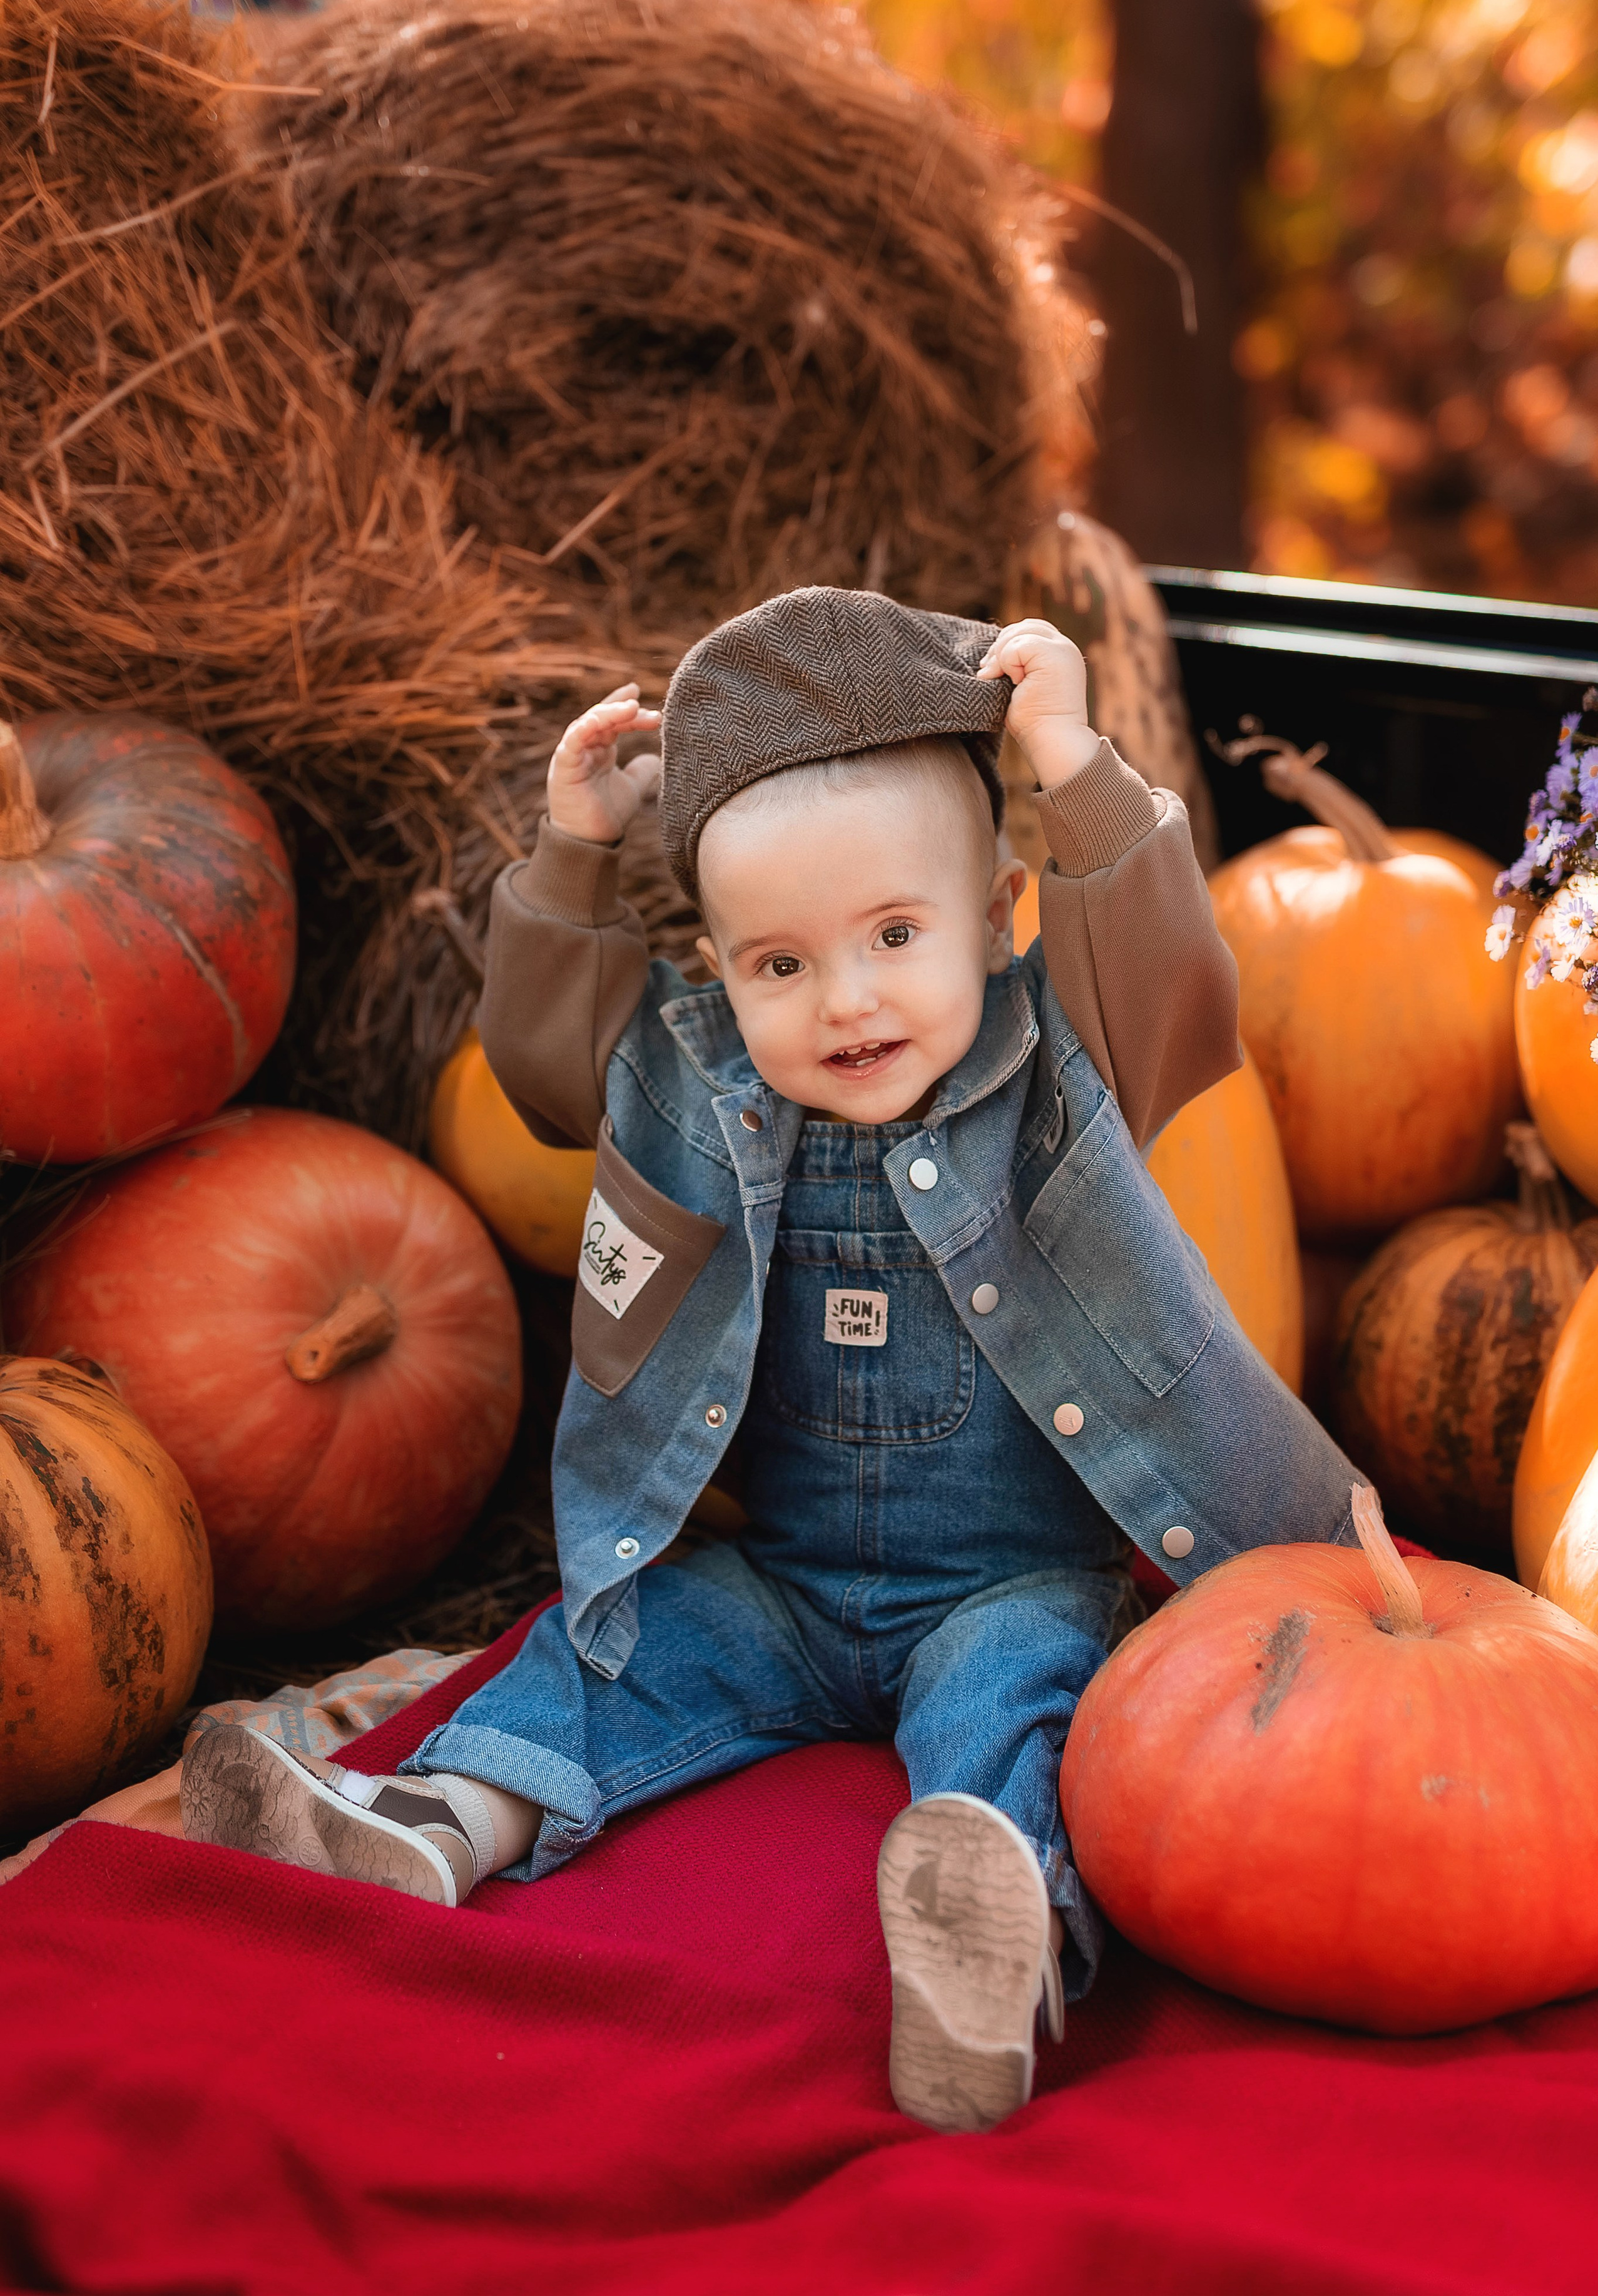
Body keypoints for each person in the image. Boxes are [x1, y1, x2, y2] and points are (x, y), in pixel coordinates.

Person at [183, 588, 1357, 2133]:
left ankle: (988, 1943)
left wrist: (1072, 766)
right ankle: (430, 1823)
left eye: (891, 936)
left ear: (1001, 913)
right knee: (621, 1639)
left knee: (1024, 1705)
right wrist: (574, 853)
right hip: (787, 1586)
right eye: (779, 964)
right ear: (720, 968)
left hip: (1004, 1580)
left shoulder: (1061, 1056)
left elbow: (1180, 989)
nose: (846, 998)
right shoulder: (694, 1078)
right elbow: (543, 1068)